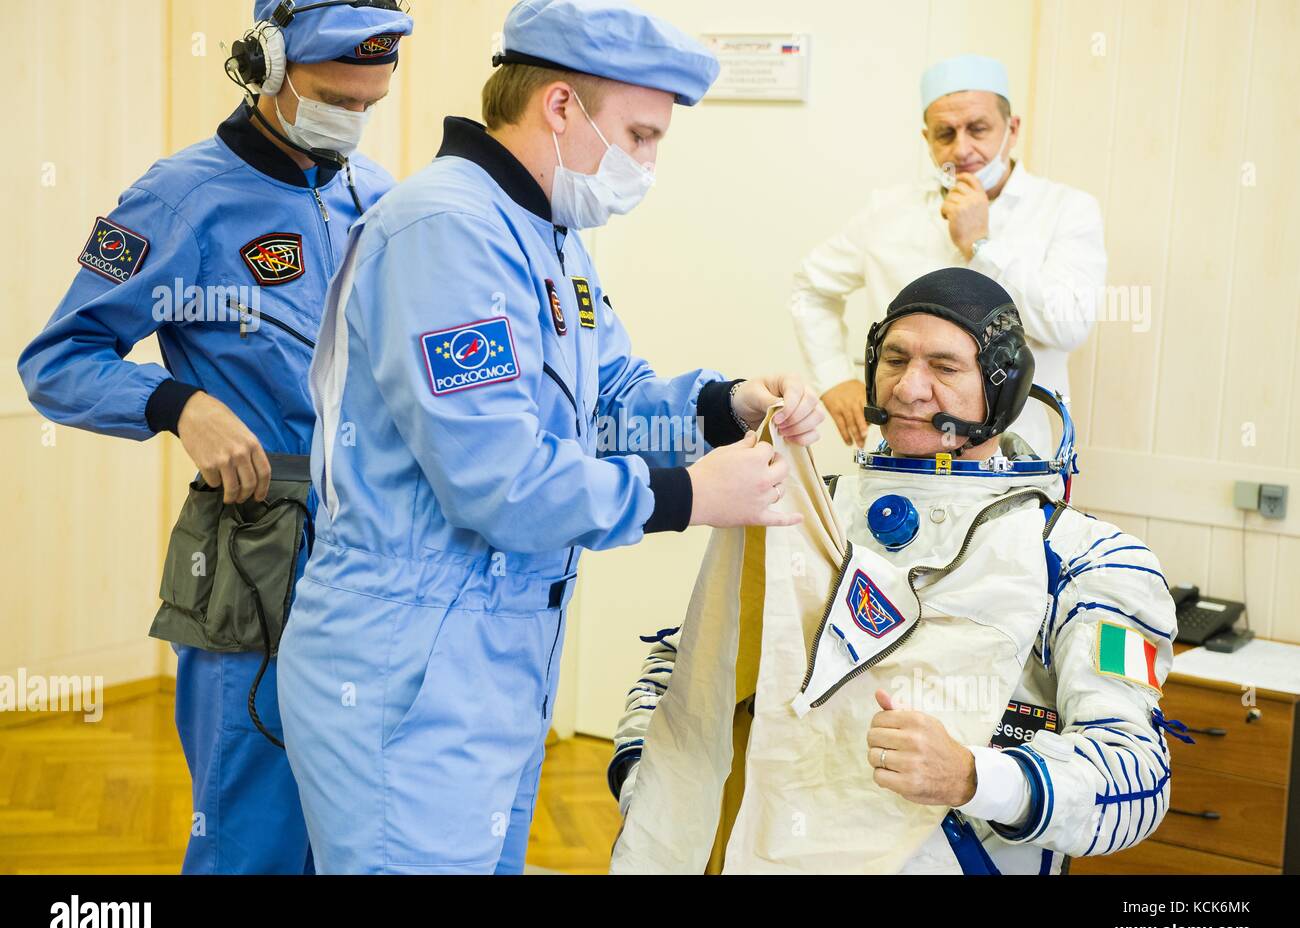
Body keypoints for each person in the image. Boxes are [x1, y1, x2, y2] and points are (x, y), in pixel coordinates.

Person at [275, 0, 824, 875]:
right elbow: (500, 479)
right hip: (407, 668)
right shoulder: (447, 231)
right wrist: (690, 496)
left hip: (493, 663)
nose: (647, 165)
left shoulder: (551, 236)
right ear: (561, 107)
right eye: (640, 137)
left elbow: (610, 398)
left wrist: (730, 404)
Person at [16, 0, 414, 874]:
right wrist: (176, 403)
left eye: (366, 104)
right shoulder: (177, 198)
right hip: (255, 558)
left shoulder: (377, 195)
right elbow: (55, 360)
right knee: (251, 835)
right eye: (330, 97)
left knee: (355, 835)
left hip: (379, 558)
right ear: (265, 66)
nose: (349, 121)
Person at [610, 268, 1181, 874]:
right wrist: (649, 782)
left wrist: (971, 776)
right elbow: (687, 667)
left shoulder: (1079, 557)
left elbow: (1136, 776)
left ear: (1003, 387)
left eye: (944, 366)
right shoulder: (804, 512)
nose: (910, 388)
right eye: (895, 358)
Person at [791, 54, 1106, 457]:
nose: (962, 149)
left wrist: (980, 245)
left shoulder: (1065, 209)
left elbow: (1069, 324)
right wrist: (834, 379)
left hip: (1013, 455)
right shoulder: (887, 212)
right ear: (927, 139)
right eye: (945, 134)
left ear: (1012, 129)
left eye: (978, 129)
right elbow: (810, 288)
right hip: (897, 451)